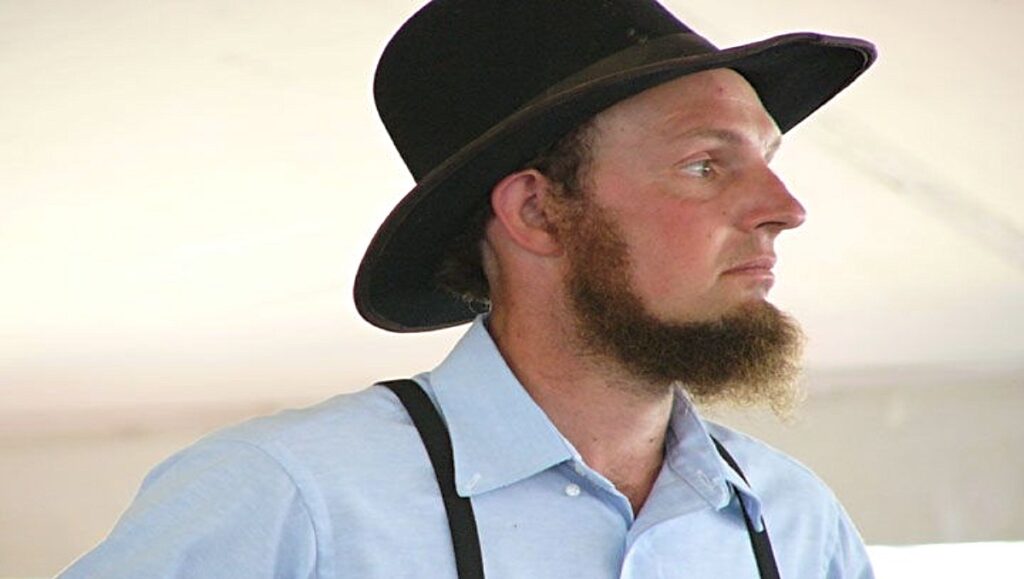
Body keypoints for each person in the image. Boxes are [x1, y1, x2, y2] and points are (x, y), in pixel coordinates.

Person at [60, 0, 877, 577]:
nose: (784, 209)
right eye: (706, 165)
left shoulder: (796, 524)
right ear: (535, 210)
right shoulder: (290, 495)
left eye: (770, 161)